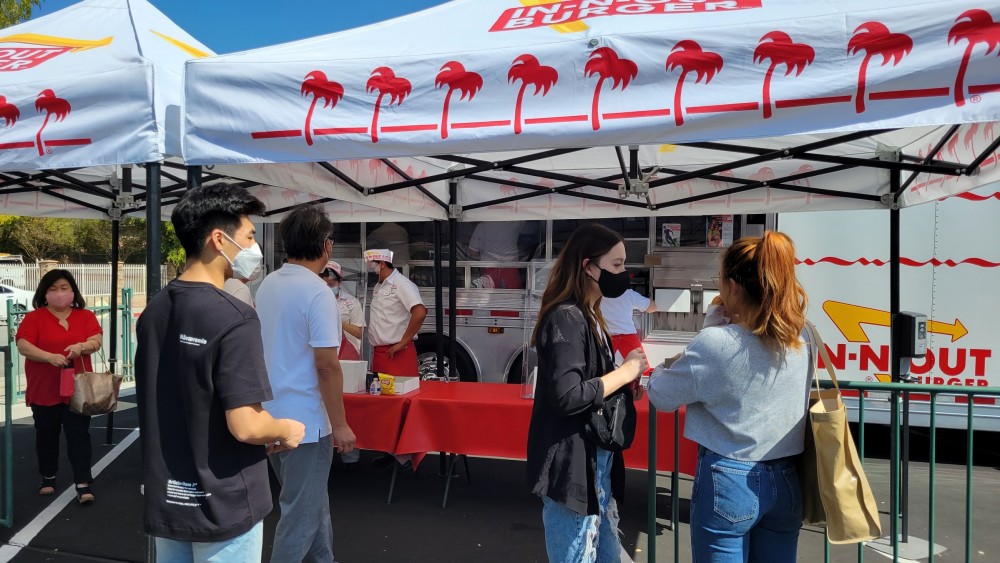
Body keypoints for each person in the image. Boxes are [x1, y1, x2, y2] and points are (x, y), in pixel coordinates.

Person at [135, 184, 305, 562]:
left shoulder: (155, 310)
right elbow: (246, 425)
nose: (253, 247)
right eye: (249, 236)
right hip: (225, 502)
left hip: (169, 498)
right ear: (218, 239)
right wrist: (286, 429)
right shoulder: (235, 316)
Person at [647, 231, 811, 563]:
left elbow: (661, 396)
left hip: (729, 475)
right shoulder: (802, 336)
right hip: (787, 477)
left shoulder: (716, 342)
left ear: (733, 286)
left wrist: (665, 365)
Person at [526, 224, 648, 563]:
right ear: (588, 267)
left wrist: (622, 384)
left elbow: (589, 383)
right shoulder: (566, 317)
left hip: (595, 459)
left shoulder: (590, 315)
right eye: (617, 265)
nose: (624, 274)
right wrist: (623, 373)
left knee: (602, 550)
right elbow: (567, 396)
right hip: (573, 463)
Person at [255, 206, 357, 562]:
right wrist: (340, 424)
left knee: (312, 507)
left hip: (271, 416)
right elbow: (327, 365)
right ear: (327, 245)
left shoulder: (269, 284)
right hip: (307, 425)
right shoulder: (318, 292)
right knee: (301, 516)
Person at [16, 269, 103, 504]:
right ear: (44, 294)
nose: (59, 293)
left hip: (78, 389)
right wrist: (48, 357)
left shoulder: (85, 316)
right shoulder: (34, 318)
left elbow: (96, 340)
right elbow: (23, 345)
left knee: (79, 435)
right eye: (53, 289)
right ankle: (48, 476)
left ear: (73, 291)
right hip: (44, 388)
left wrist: (81, 346)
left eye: (64, 288)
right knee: (46, 435)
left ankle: (83, 483)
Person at [365, 249, 427, 378]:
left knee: (400, 390)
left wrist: (403, 343)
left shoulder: (402, 283)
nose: (369, 269)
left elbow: (420, 312)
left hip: (398, 352)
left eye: (371, 265)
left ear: (382, 264)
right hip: (380, 353)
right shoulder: (379, 286)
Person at [599, 287, 657, 389]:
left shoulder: (598, 295)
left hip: (605, 340)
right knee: (641, 375)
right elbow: (653, 307)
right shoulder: (629, 294)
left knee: (604, 375)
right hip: (628, 339)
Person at [319, 260, 365, 361]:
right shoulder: (314, 301)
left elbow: (359, 333)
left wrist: (337, 322)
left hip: (346, 352)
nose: (328, 288)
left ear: (339, 282)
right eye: (325, 285)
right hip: (321, 351)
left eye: (331, 285)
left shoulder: (352, 302)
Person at [468, 220, 524, 289]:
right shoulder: (516, 222)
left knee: (489, 294)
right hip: (510, 267)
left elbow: (473, 252)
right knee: (513, 294)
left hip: (489, 268)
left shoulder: (482, 226)